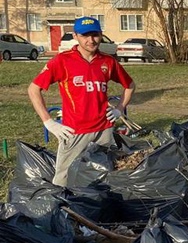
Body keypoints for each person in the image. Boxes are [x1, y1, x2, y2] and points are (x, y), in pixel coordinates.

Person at [28, 16, 135, 187]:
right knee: (63, 180)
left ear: (100, 35)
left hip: (104, 130)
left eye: (95, 35)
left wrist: (119, 109)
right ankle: (61, 211)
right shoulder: (62, 61)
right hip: (75, 131)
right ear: (76, 36)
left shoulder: (108, 61)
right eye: (85, 36)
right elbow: (33, 89)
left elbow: (129, 85)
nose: (91, 41)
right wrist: (48, 122)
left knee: (105, 175)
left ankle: (97, 208)